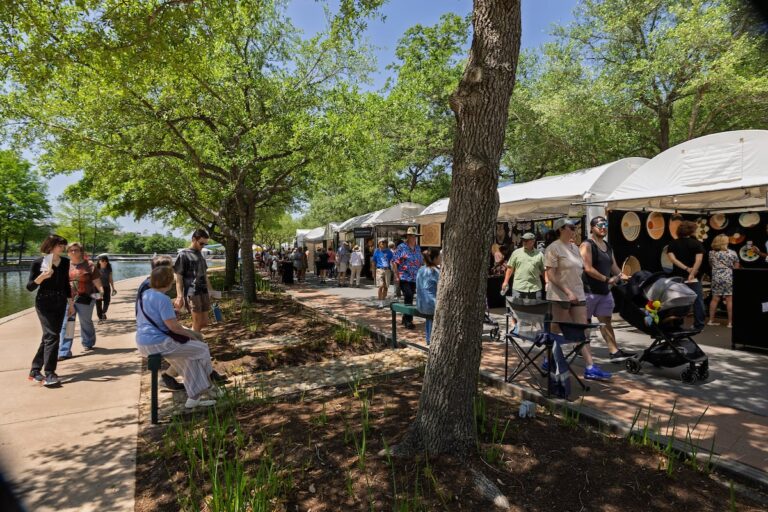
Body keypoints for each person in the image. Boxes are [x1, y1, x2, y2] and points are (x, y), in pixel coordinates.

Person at [136, 266, 222, 409]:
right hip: (159, 342)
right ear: (169, 282)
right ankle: (208, 384)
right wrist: (191, 336)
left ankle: (194, 398)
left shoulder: (144, 295)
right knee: (201, 348)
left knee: (189, 359)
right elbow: (174, 327)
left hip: (143, 342)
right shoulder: (163, 298)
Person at [545, 218, 612, 381]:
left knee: (582, 329)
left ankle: (590, 367)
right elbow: (551, 275)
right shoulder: (553, 248)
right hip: (560, 296)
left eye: (575, 227)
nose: (574, 230)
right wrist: (567, 292)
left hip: (579, 294)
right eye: (571, 227)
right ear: (561, 229)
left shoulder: (575, 247)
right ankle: (550, 360)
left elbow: (582, 270)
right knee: (557, 330)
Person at [579, 216, 634, 362]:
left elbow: (613, 267)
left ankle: (614, 352)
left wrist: (625, 277)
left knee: (606, 321)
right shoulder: (587, 245)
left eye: (605, 224)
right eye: (600, 225)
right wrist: (607, 279)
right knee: (585, 322)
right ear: (592, 228)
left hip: (604, 292)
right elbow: (588, 268)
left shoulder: (607, 246)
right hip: (588, 291)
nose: (603, 227)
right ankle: (583, 349)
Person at [26, 234, 74, 387]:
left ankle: (34, 370)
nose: (63, 248)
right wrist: (41, 277)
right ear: (51, 245)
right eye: (60, 245)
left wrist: (70, 303)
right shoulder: (38, 263)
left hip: (60, 302)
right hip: (44, 302)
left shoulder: (65, 262)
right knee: (53, 336)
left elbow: (66, 284)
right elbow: (30, 287)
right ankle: (50, 373)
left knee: (48, 337)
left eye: (63, 246)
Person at [59, 242, 104, 360]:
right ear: (67, 252)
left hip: (86, 298)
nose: (73, 252)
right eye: (71, 250)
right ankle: (64, 351)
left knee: (85, 322)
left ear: (81, 252)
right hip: (69, 299)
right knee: (68, 323)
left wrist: (101, 291)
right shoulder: (64, 265)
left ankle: (88, 342)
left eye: (76, 250)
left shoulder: (89, 265)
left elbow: (96, 280)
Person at [173, 229, 218, 333]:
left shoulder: (200, 254)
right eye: (201, 243)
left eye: (205, 244)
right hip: (192, 292)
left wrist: (211, 290)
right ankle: (195, 344)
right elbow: (178, 278)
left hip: (203, 291)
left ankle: (190, 337)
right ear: (194, 239)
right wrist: (179, 296)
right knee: (197, 322)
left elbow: (205, 275)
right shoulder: (183, 254)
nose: (203, 246)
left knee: (205, 322)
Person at [500, 232, 545, 331]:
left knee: (536, 307)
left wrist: (547, 282)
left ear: (533, 241)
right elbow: (510, 268)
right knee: (516, 307)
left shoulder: (539, 254)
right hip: (519, 286)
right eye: (523, 240)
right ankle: (514, 326)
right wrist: (505, 281)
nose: (524, 242)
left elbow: (543, 270)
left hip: (535, 286)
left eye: (526, 240)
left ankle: (536, 328)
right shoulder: (516, 253)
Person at [667, 220, 706, 330]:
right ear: (691, 231)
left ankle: (677, 323)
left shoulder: (672, 243)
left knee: (678, 300)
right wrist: (692, 272)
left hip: (677, 276)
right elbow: (698, 260)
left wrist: (686, 269)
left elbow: (673, 259)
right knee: (698, 301)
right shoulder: (697, 243)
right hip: (693, 278)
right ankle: (699, 325)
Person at [391, 227, 424, 329]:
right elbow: (394, 261)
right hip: (404, 276)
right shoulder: (402, 247)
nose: (414, 238)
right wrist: (396, 275)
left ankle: (405, 318)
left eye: (415, 236)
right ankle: (408, 321)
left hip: (414, 277)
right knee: (408, 295)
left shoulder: (418, 248)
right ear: (408, 236)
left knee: (409, 297)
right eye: (412, 236)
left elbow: (420, 261)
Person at [708, 234, 739, 328]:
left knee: (715, 299)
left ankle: (710, 320)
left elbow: (711, 264)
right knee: (729, 300)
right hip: (729, 276)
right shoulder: (732, 253)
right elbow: (736, 267)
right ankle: (730, 323)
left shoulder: (711, 253)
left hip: (716, 276)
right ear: (725, 242)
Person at [416, 248, 441, 345]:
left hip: (420, 304)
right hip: (430, 306)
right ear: (434, 258)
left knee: (430, 305)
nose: (441, 258)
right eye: (439, 256)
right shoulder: (435, 271)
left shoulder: (420, 269)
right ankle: (432, 340)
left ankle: (429, 339)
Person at [372, 239, 394, 308]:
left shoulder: (389, 252)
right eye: (382, 242)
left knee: (386, 286)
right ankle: (380, 302)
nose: (384, 244)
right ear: (379, 244)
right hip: (379, 269)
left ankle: (383, 300)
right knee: (380, 286)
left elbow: (393, 260)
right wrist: (373, 271)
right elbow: (373, 262)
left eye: (385, 242)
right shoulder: (377, 251)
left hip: (387, 270)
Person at [96, 254, 116, 323]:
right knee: (98, 303)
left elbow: (110, 279)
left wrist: (113, 288)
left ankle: (103, 312)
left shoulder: (108, 269)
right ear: (99, 261)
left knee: (107, 301)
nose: (104, 262)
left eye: (106, 261)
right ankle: (100, 318)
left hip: (107, 287)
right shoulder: (96, 269)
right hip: (97, 289)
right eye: (103, 261)